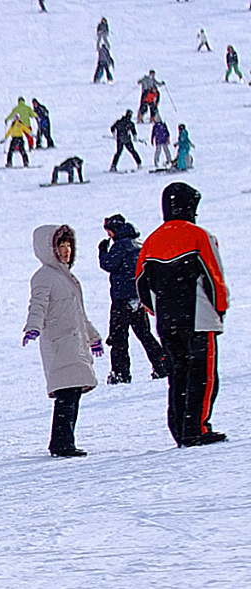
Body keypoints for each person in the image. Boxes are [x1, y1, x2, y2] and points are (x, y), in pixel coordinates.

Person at [136, 182, 228, 447]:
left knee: (178, 374)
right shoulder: (199, 235)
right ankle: (196, 428)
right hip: (199, 318)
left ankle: (179, 428)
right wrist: (219, 310)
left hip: (166, 321)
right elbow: (214, 277)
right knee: (203, 373)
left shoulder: (151, 241)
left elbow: (141, 285)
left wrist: (158, 312)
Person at [22, 225, 103, 458]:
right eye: (60, 245)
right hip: (59, 344)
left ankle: (64, 441)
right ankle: (61, 443)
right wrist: (33, 328)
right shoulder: (44, 277)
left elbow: (79, 314)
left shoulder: (66, 277)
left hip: (73, 343)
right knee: (67, 394)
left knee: (72, 392)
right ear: (49, 249)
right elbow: (37, 305)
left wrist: (93, 338)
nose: (66, 250)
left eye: (68, 245)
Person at [98, 215, 168, 384]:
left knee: (118, 337)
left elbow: (108, 264)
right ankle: (162, 365)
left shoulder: (121, 245)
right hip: (139, 296)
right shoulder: (138, 243)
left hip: (122, 298)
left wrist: (102, 251)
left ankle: (120, 373)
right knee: (145, 334)